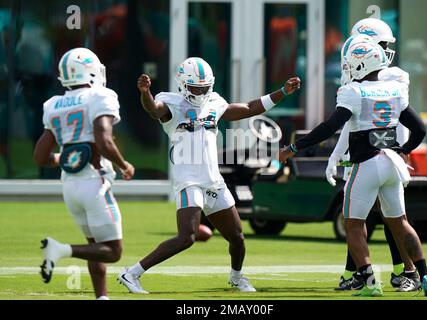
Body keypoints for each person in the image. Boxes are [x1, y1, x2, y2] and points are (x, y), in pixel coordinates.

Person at [117, 57, 301, 294]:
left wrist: (282, 92)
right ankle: (131, 273)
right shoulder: (170, 102)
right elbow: (153, 110)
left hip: (213, 180)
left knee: (237, 237)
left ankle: (236, 277)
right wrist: (145, 93)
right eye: (196, 87)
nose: (201, 91)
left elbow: (248, 108)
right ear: (183, 84)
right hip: (188, 180)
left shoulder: (213, 101)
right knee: (187, 237)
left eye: (204, 87)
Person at [279, 39, 427, 297]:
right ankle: (426, 277)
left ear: (361, 64)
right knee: (400, 224)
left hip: (365, 165)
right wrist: (404, 150)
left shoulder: (353, 91)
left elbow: (330, 127)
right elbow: (420, 129)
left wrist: (294, 148)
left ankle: (370, 282)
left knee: (353, 225)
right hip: (392, 163)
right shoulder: (394, 89)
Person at [33, 48, 135, 300]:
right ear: (90, 70)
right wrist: (124, 165)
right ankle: (60, 250)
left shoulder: (53, 104)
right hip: (94, 182)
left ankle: (101, 297)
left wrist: (65, 157)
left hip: (69, 186)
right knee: (113, 251)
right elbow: (104, 139)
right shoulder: (100, 95)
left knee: (94, 245)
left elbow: (40, 157)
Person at [329, 18, 420, 292]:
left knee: (385, 217)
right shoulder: (357, 76)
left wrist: (403, 151)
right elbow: (350, 122)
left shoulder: (393, 75)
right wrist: (338, 154)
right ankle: (359, 272)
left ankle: (408, 271)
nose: (386, 51)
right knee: (360, 216)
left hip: (386, 150)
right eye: (381, 44)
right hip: (366, 149)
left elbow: (398, 121)